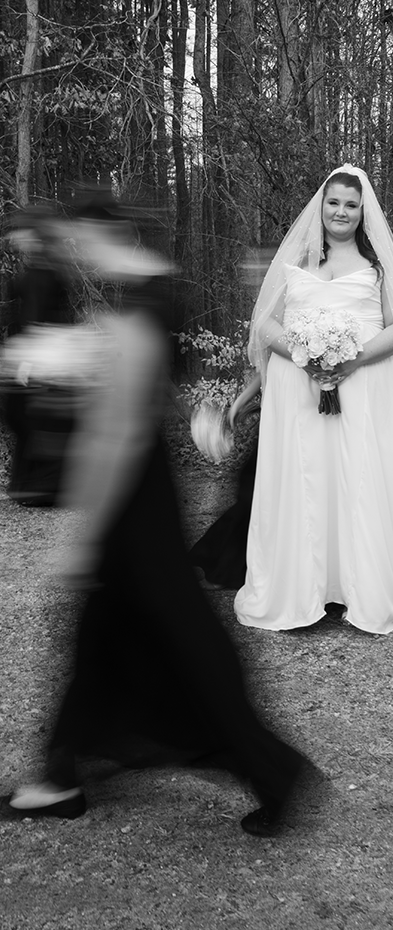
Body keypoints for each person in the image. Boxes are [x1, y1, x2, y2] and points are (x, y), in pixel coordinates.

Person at [7, 205, 310, 837]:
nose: (78, 254)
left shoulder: (143, 307)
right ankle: (59, 774)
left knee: (184, 637)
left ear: (101, 233)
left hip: (136, 499)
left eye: (80, 240)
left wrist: (85, 538)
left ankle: (271, 768)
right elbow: (150, 397)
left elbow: (118, 433)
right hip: (144, 492)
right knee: (103, 636)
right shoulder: (152, 293)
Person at [234, 165, 393, 635]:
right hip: (298, 388)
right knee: (307, 478)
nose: (341, 212)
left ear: (363, 213)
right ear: (320, 206)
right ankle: (303, 588)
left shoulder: (376, 267)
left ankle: (360, 585)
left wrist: (351, 359)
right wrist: (304, 356)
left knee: (354, 476)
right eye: (334, 202)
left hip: (362, 386)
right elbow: (266, 324)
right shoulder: (295, 264)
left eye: (351, 205)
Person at [1, 208, 75, 505]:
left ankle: (41, 487)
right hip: (38, 353)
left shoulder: (44, 272)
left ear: (33, 236)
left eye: (19, 234)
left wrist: (29, 360)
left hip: (42, 355)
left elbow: (39, 315)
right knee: (25, 416)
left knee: (30, 417)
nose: (13, 240)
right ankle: (28, 485)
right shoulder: (38, 269)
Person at [190, 372, 261, 590]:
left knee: (254, 491)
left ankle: (223, 566)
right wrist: (239, 404)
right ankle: (218, 561)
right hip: (282, 414)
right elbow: (270, 365)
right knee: (252, 488)